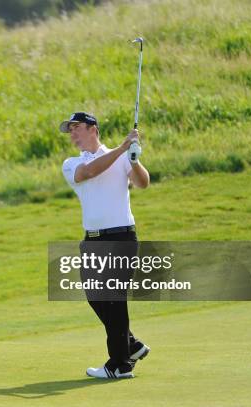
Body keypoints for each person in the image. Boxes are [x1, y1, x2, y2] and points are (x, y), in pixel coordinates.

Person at [60, 112, 150, 378]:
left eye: (77, 128)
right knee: (96, 297)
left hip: (121, 237)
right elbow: (90, 171)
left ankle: (118, 364)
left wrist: (133, 159)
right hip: (92, 241)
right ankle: (131, 345)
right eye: (70, 130)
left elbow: (142, 183)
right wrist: (123, 148)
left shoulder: (122, 156)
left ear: (93, 129)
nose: (73, 134)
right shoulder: (72, 163)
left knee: (114, 299)